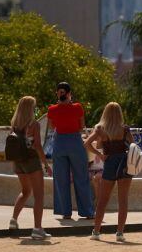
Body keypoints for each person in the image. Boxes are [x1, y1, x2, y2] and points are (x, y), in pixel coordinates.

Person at [84, 102, 134, 241]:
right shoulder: (125, 129)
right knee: (123, 200)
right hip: (124, 164)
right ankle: (120, 233)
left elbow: (86, 143)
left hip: (110, 163)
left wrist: (99, 154)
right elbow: (133, 146)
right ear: (119, 114)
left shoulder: (101, 129)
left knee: (102, 200)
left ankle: (96, 232)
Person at [47, 82, 94, 221]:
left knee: (61, 178)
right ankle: (87, 211)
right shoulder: (77, 107)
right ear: (69, 93)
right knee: (81, 177)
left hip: (59, 142)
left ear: (58, 93)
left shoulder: (52, 109)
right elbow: (82, 126)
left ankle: (65, 212)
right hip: (75, 141)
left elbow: (51, 126)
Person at [8, 96, 51, 240]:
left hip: (18, 162)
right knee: (39, 195)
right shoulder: (34, 124)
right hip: (31, 161)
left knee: (25, 191)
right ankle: (37, 229)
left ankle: (13, 220)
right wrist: (45, 164)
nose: (35, 109)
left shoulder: (14, 124)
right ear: (30, 108)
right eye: (34, 106)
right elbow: (37, 146)